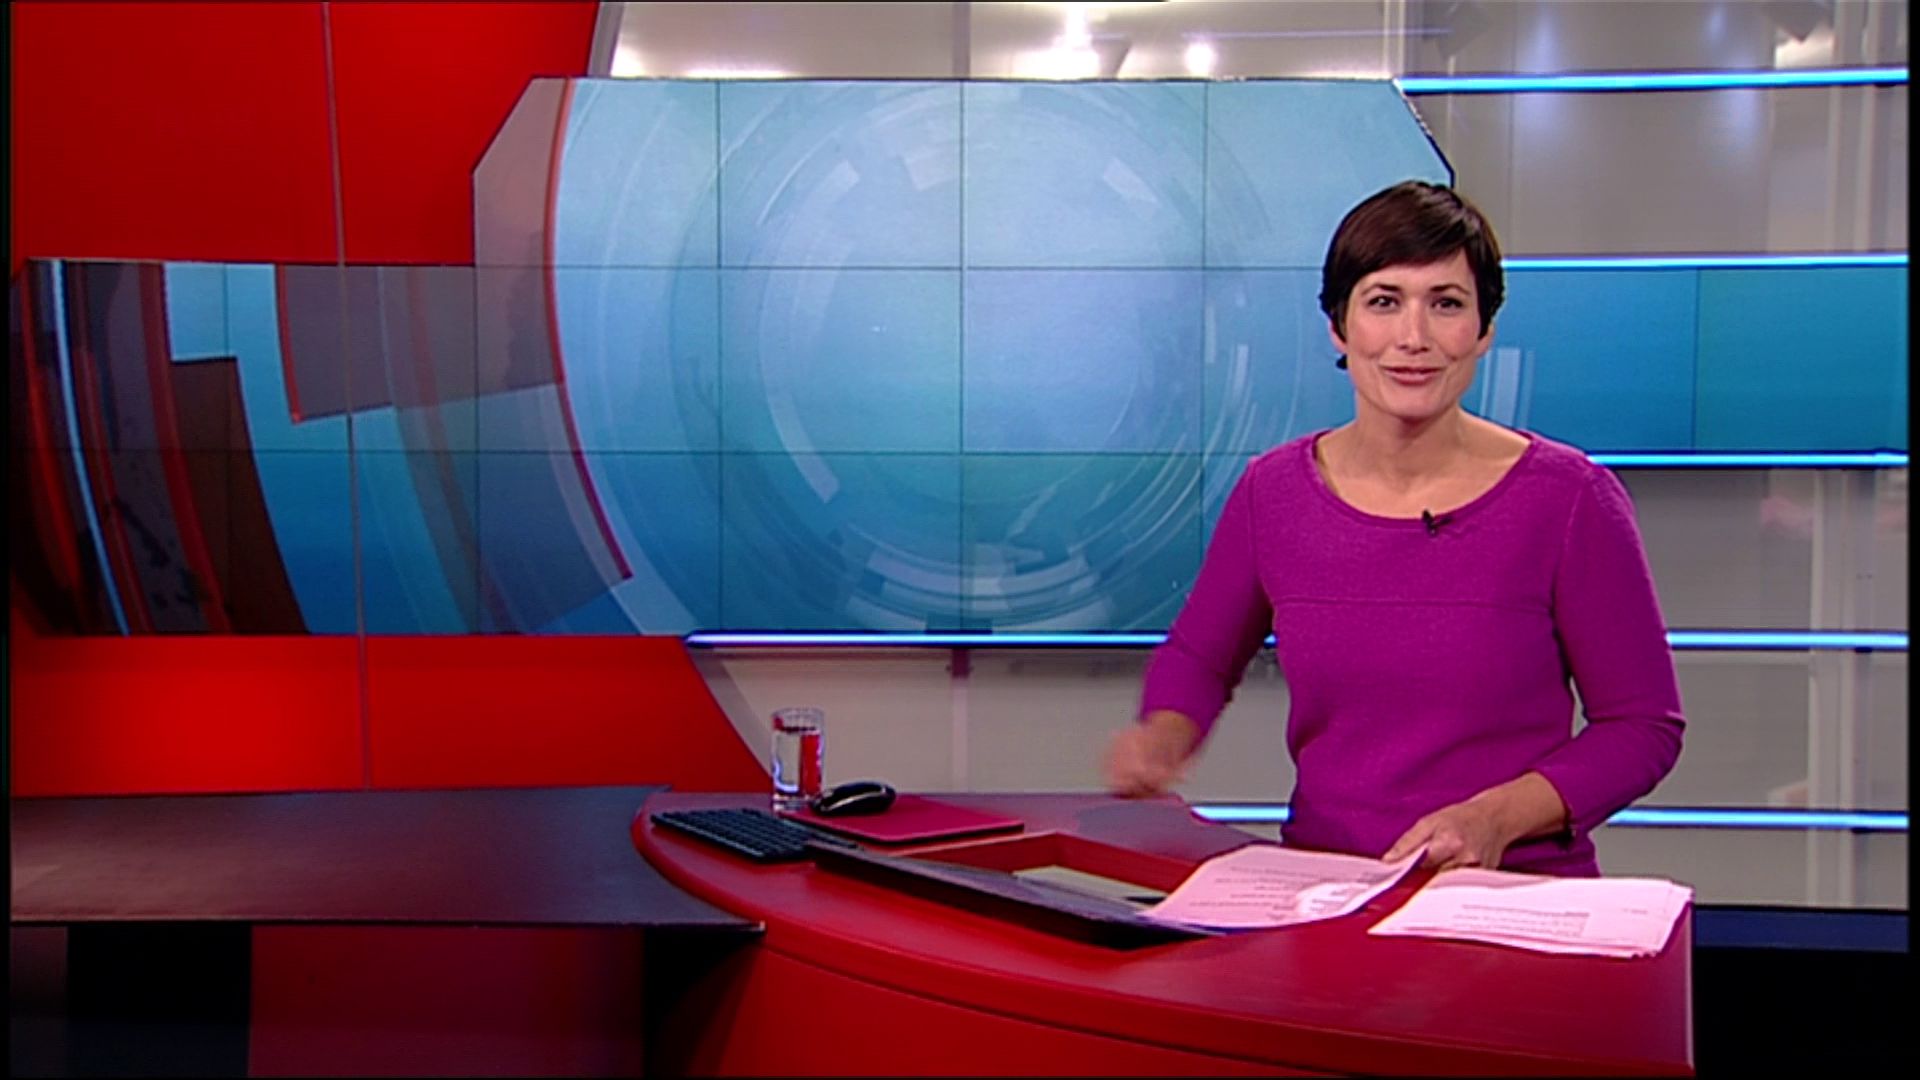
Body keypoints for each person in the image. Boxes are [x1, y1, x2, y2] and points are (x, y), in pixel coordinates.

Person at [1104, 180, 1684, 877]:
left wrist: (1496, 818)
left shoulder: (1570, 500)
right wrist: (1165, 734)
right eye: (1384, 302)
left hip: (1509, 897)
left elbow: (1641, 728)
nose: (1414, 338)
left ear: (1484, 330)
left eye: (1446, 304)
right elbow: (1201, 657)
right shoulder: (1272, 494)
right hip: (1327, 889)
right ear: (1339, 326)